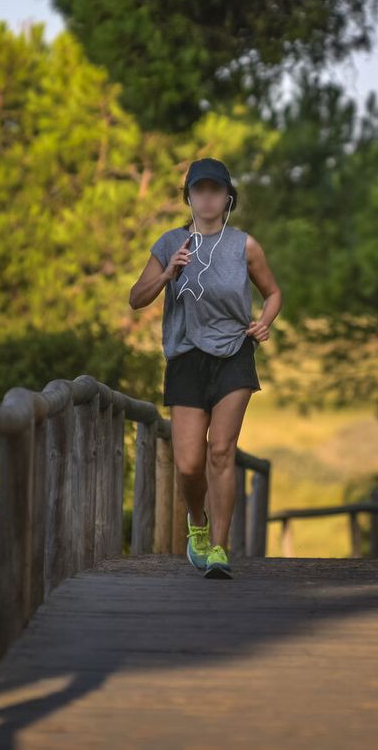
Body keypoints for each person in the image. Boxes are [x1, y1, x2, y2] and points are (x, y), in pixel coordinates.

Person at [128, 157, 282, 578]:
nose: (208, 197)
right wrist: (167, 275)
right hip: (185, 359)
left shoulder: (244, 246)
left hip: (234, 353)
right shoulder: (168, 244)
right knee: (189, 463)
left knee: (221, 451)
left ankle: (219, 547)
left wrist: (264, 322)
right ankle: (197, 523)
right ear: (189, 197)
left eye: (216, 190)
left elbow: (272, 292)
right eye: (200, 190)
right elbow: (136, 298)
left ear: (228, 197)